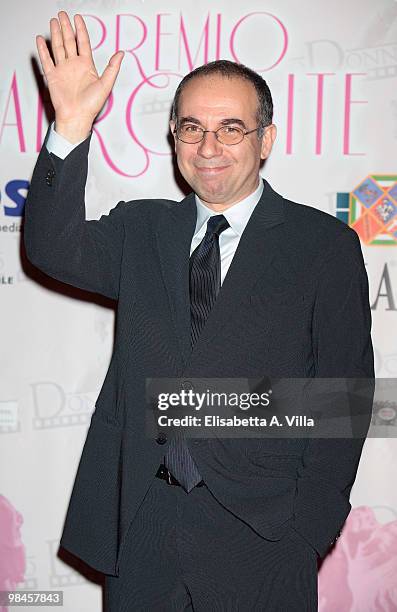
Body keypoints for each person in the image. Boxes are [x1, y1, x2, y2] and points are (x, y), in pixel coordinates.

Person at [24, 11, 374, 611]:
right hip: (142, 530)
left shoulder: (323, 246)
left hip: (260, 536)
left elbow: (343, 399)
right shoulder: (141, 228)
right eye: (192, 128)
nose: (209, 146)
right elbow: (51, 248)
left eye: (231, 128)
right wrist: (72, 125)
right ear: (174, 138)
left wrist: (304, 536)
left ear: (265, 139)